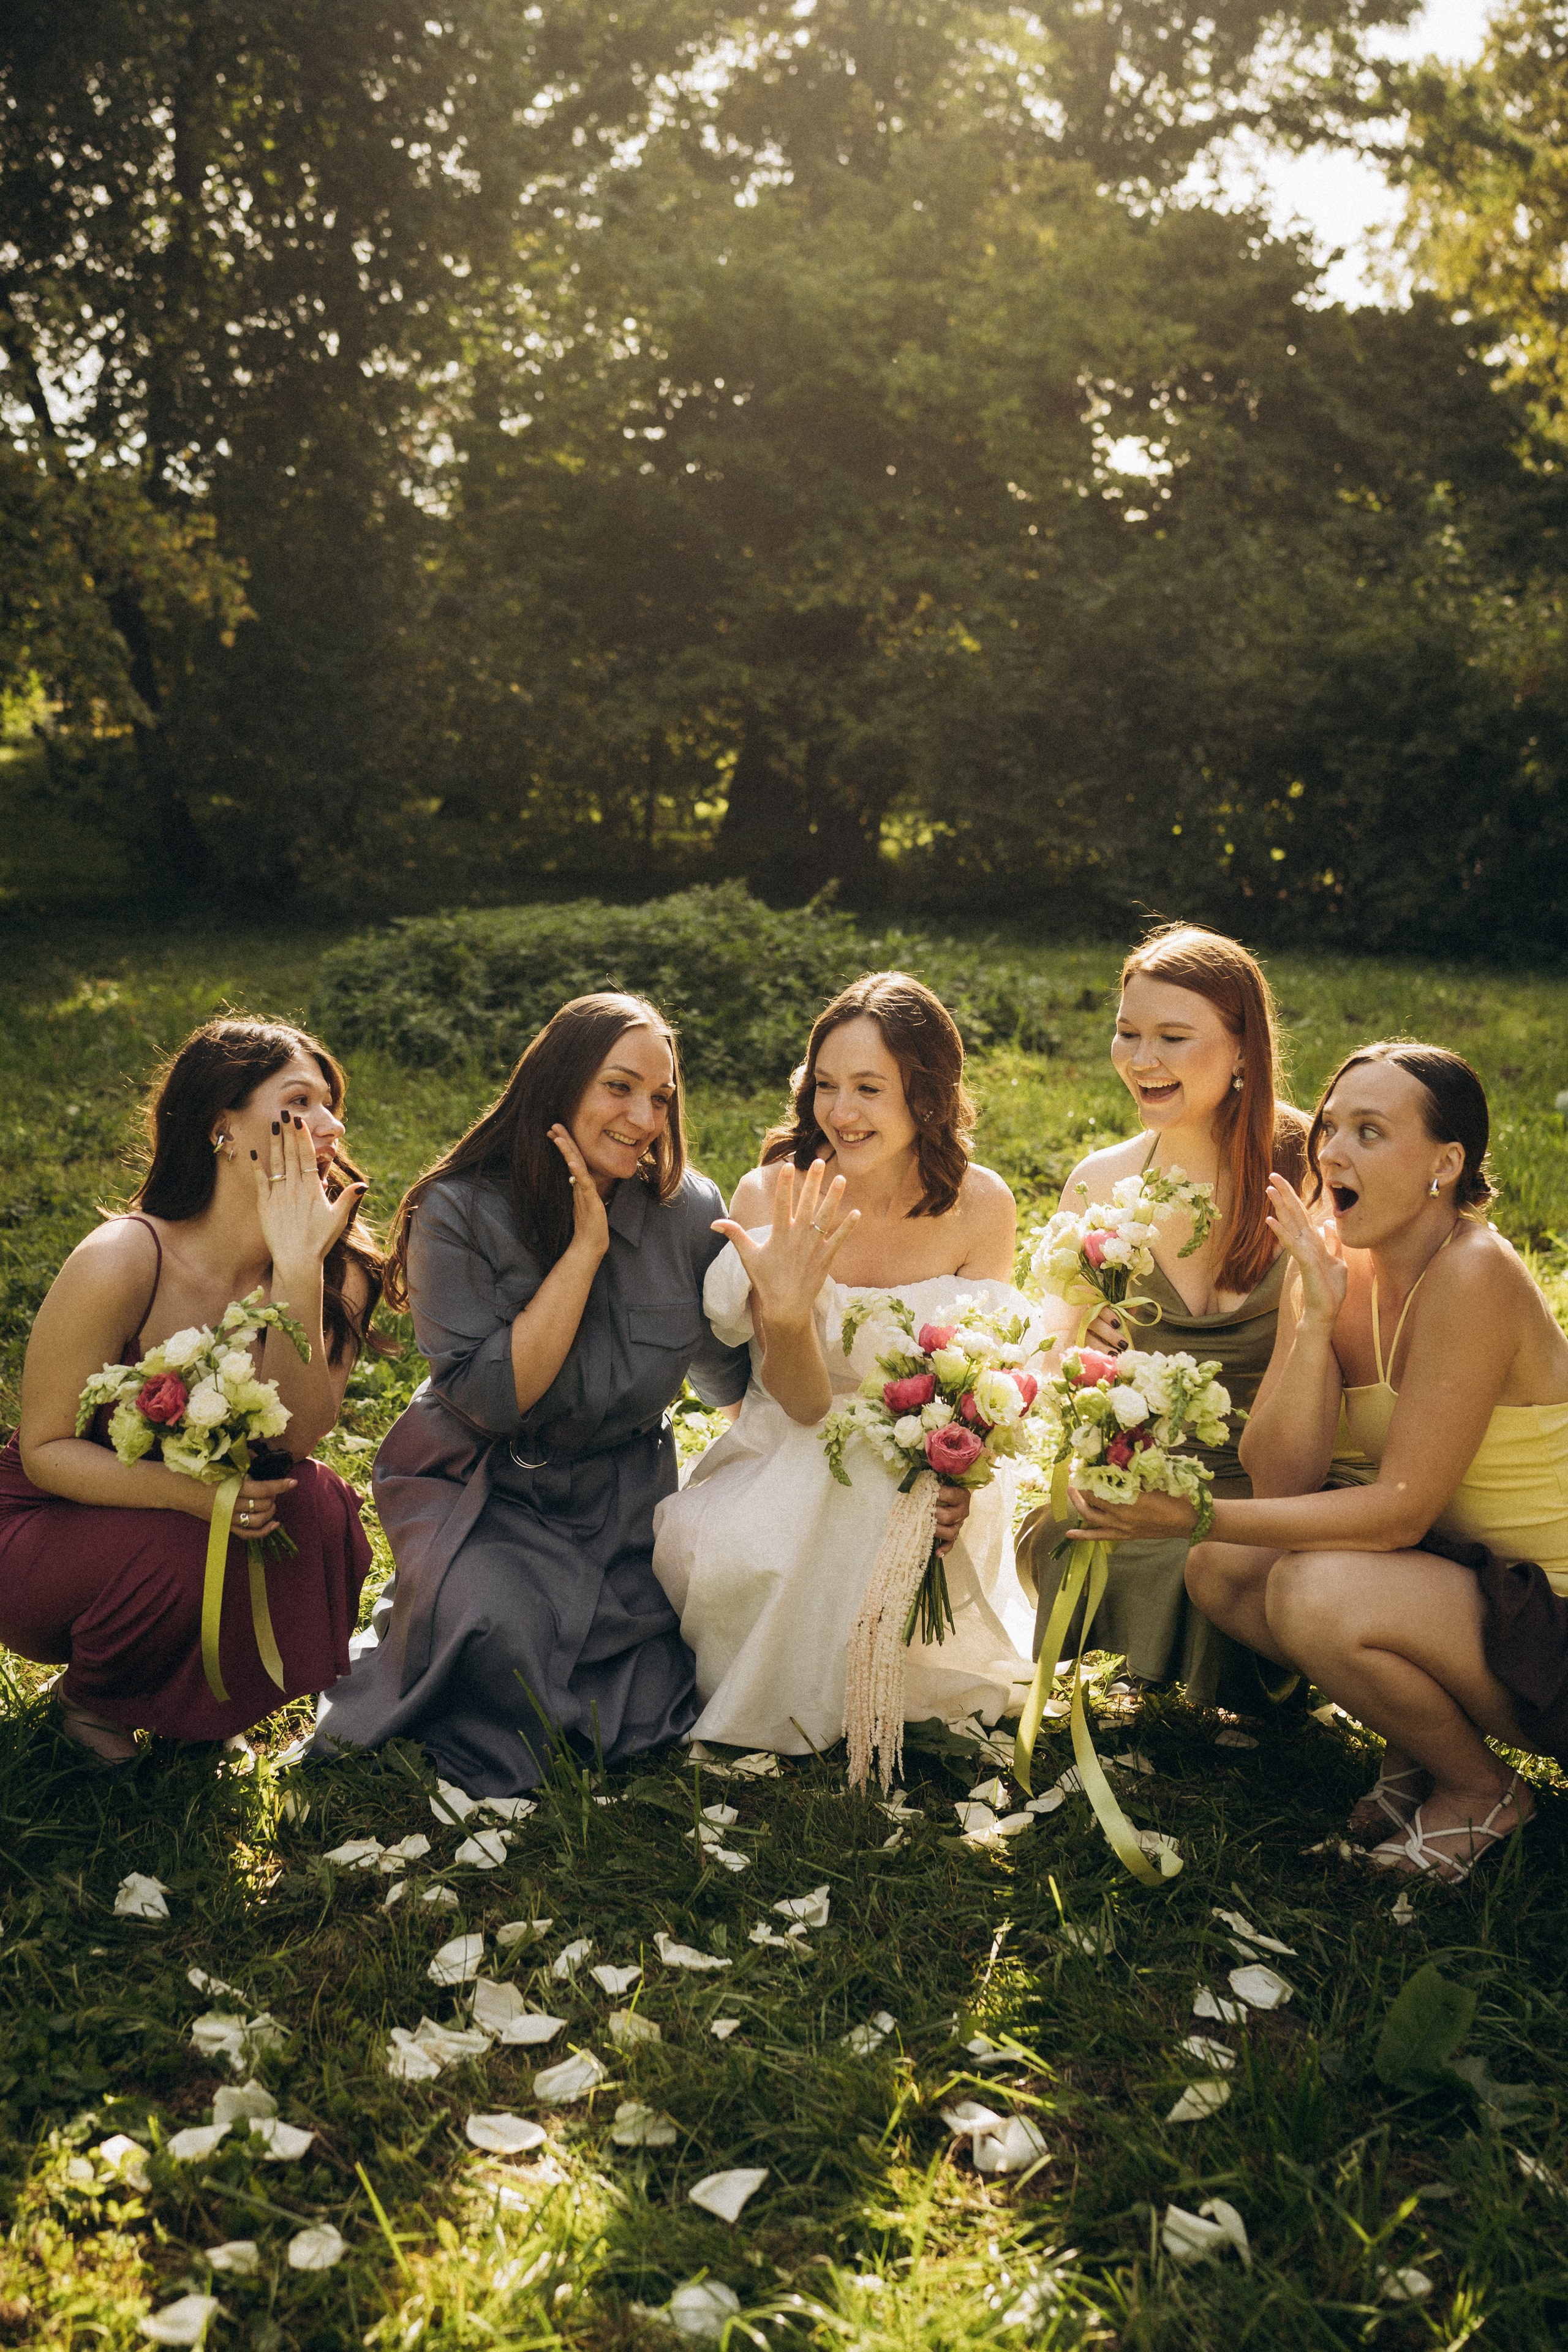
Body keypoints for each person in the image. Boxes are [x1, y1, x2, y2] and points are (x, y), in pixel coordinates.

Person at [1069, 1041, 1568, 1880]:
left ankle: (1482, 1790)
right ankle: (1420, 1746)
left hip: (1552, 1619)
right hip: (1473, 1584)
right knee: (1226, 1570)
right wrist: (1310, 1321)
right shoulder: (1333, 1259)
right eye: (1331, 1126)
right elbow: (1283, 1479)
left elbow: (1401, 1511)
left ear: (1446, 1163)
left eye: (1371, 1132)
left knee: (1310, 1588)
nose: (1332, 1150)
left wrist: (1191, 1512)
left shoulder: (1474, 1273)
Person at [311, 992, 749, 1796]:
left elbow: (730, 1382)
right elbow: (487, 1401)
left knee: (681, 1651)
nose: (645, 1117)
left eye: (661, 1096)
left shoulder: (690, 1212)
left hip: (622, 1496)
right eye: (619, 1087)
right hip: (487, 1484)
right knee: (494, 1623)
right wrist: (583, 1254)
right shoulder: (457, 1210)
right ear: (559, 1083)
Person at [651, 971, 1035, 1754]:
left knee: (890, 1497)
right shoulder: (774, 1195)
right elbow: (799, 1402)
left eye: (869, 1087)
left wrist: (957, 1473)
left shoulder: (982, 1204)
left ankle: (905, 1682)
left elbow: (984, 1374)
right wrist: (788, 1313)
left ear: (925, 1095)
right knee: (825, 1503)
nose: (841, 1112)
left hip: (924, 1457)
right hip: (793, 1441)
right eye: (826, 1085)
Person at [0, 1018, 382, 1765]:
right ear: (222, 1127)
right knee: (189, 1531)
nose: (332, 1126)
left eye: (333, 1104)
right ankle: (92, 1698)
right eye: (302, 1101)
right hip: (49, 1522)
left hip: (208, 1509)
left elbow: (292, 1443)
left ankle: (202, 1697)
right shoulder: (124, 1258)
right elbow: (44, 1451)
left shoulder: (341, 1271)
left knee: (316, 1500)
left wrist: (298, 1271)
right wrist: (193, 1496)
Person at [1015, 924, 1308, 1709]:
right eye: (1127, 1033)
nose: (1141, 1060)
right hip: (1151, 1470)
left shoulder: (1311, 1164)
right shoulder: (1100, 1179)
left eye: (1173, 1037)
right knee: (1066, 1528)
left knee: (1228, 1558)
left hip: (1280, 1483)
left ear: (1245, 1051)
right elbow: (1045, 1354)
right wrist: (1078, 1349)